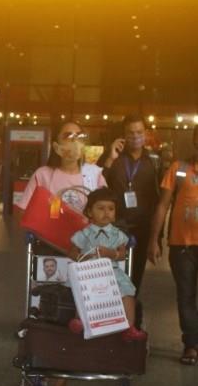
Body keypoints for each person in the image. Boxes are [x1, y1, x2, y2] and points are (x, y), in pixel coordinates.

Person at [16, 121, 106, 386]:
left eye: (80, 136)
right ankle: (40, 367)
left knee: (75, 317)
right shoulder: (44, 175)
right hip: (49, 255)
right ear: (56, 145)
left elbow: (107, 210)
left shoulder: (94, 175)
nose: (75, 141)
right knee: (48, 313)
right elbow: (24, 211)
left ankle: (60, 384)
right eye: (68, 136)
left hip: (85, 255)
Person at [147, 125, 198, 365]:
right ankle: (191, 345)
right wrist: (153, 240)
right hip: (181, 246)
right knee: (185, 296)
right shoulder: (178, 169)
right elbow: (162, 205)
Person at [67, 188, 146, 341]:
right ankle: (80, 320)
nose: (106, 213)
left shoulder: (118, 234)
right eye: (101, 208)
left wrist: (112, 254)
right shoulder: (84, 234)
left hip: (112, 271)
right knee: (83, 290)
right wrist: (82, 257)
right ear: (89, 212)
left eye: (111, 209)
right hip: (89, 271)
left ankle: (129, 326)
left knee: (128, 292)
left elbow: (122, 254)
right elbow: (71, 252)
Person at [99, 114, 160, 292]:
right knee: (111, 276)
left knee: (134, 280)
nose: (135, 136)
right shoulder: (113, 156)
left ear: (146, 133)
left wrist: (156, 239)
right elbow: (96, 184)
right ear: (124, 134)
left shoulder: (154, 161)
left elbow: (159, 200)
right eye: (131, 132)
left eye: (139, 132)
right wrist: (110, 158)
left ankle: (131, 309)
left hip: (142, 229)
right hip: (114, 227)